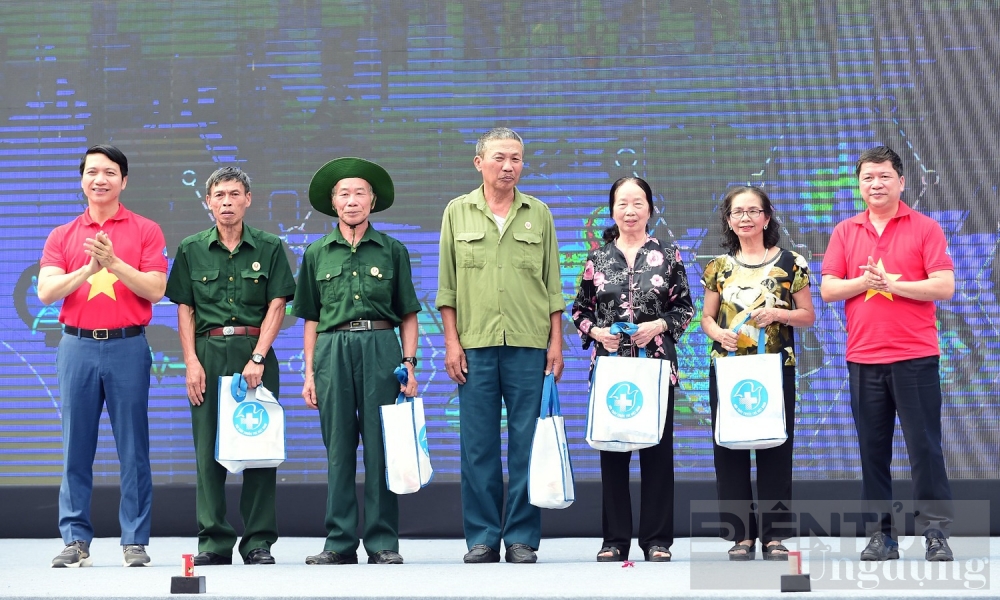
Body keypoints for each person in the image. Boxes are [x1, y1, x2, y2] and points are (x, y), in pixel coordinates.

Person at [820, 145, 955, 562]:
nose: (875, 184)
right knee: (871, 450)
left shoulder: (925, 228)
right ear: (859, 185)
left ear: (901, 181)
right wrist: (867, 282)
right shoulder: (845, 231)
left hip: (915, 356)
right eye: (867, 178)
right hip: (863, 357)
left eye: (883, 176)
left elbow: (944, 286)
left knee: (925, 448)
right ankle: (882, 536)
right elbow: (827, 290)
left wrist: (893, 286)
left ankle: (935, 532)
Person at [436, 127, 564, 564]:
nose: (508, 166)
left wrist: (557, 344)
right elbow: (447, 287)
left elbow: (552, 286)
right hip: (474, 344)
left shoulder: (539, 213)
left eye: (516, 159)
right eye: (499, 158)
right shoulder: (457, 212)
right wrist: (452, 343)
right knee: (478, 446)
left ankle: (522, 537)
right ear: (479, 162)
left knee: (528, 442)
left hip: (529, 343)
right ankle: (483, 536)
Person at [38, 144, 167, 568]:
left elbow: (155, 289)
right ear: (82, 180)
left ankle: (134, 540)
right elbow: (46, 292)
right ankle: (75, 539)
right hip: (75, 345)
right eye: (92, 171)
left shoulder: (146, 230)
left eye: (109, 172)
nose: (100, 179)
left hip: (128, 345)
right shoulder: (62, 235)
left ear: (123, 180)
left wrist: (114, 263)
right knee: (76, 445)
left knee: (134, 447)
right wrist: (89, 271)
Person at [164, 166, 295, 566]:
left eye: (234, 194)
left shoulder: (270, 246)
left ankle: (258, 542)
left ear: (247, 199)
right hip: (207, 352)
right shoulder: (191, 248)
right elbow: (185, 308)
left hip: (254, 352)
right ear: (208, 202)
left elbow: (278, 304)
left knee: (258, 447)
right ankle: (214, 542)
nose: (226, 202)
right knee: (208, 452)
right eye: (218, 195)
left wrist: (257, 356)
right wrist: (190, 362)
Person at [294, 157, 420, 565]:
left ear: (372, 201)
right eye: (344, 194)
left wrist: (409, 363)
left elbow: (408, 314)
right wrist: (309, 371)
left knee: (382, 447)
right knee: (338, 448)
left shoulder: (392, 250)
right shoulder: (315, 253)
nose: (352, 201)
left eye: (359, 193)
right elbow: (311, 318)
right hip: (332, 350)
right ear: (333, 203)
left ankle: (383, 542)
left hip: (381, 346)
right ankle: (339, 541)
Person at [571, 176, 694, 563]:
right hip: (612, 368)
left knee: (657, 452)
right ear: (612, 210)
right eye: (622, 203)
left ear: (650, 209)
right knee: (614, 450)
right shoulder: (598, 258)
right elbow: (579, 311)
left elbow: (685, 308)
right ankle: (615, 540)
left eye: (638, 203)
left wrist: (659, 325)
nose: (630, 211)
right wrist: (598, 332)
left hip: (656, 367)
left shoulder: (669, 254)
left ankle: (657, 540)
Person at [700, 185, 815, 561]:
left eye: (753, 211)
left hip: (774, 367)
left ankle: (774, 535)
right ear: (729, 221)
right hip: (728, 370)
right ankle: (741, 536)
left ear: (767, 217)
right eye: (737, 213)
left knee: (776, 449)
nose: (745, 218)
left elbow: (808, 316)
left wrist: (780, 314)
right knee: (728, 450)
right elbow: (706, 317)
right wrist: (717, 332)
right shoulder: (718, 267)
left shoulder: (791, 262)